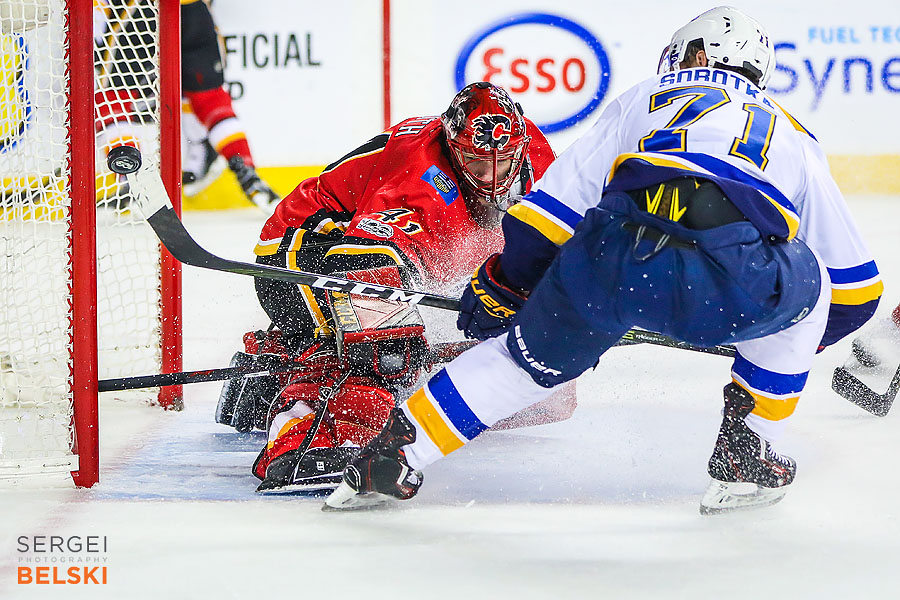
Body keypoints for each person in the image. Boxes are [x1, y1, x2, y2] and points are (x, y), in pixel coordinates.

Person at [324, 6, 883, 514]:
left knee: (522, 365)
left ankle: (394, 454)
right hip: (732, 276)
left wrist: (506, 290)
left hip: (608, 259)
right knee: (814, 284)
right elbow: (857, 291)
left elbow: (547, 217)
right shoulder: (793, 133)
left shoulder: (643, 95)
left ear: (697, 53)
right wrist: (758, 338)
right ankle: (748, 446)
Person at [214, 82, 565, 493]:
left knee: (547, 390)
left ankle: (268, 377)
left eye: (502, 163)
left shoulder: (537, 155)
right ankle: (310, 444)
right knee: (381, 358)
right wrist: (393, 344)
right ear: (454, 148)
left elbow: (566, 235)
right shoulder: (423, 179)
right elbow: (362, 263)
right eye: (476, 163)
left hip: (366, 256)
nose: (492, 179)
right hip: (299, 256)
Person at [180, 0, 280, 212]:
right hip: (187, 11)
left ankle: (128, 175)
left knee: (206, 95)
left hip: (147, 13)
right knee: (201, 95)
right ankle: (212, 152)